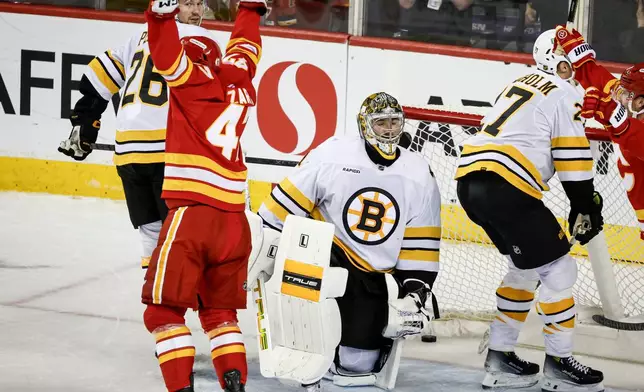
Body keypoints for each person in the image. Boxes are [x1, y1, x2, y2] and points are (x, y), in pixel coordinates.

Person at [255, 92, 441, 390]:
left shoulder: (418, 173)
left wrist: (416, 290)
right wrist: (262, 253)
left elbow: (420, 240)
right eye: (381, 123)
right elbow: (278, 211)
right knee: (308, 343)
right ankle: (313, 362)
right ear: (365, 125)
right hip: (322, 255)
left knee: (358, 367)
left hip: (370, 275)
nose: (390, 129)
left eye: (395, 121)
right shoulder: (333, 154)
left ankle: (332, 366)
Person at [454, 29, 604, 391]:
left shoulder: (519, 81)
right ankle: (558, 365)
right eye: (572, 60)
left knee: (523, 270)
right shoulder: (564, 93)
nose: (578, 69)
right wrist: (584, 205)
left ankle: (500, 357)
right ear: (554, 59)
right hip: (507, 189)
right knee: (558, 269)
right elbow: (571, 155)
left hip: (469, 183)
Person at [140, 0, 265, 391]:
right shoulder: (240, 78)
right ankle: (235, 384)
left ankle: (181, 388)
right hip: (234, 220)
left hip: (194, 214)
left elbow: (164, 52)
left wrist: (159, 16)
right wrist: (250, 8)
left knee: (162, 311)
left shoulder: (191, 81)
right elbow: (246, 46)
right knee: (220, 312)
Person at [58, 0, 210, 270]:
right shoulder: (199, 39)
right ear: (173, 6)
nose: (197, 12)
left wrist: (85, 120)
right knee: (179, 236)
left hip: (128, 151)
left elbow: (97, 76)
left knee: (151, 233)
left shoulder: (139, 34)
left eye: (200, 4)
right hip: (168, 150)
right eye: (188, 4)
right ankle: (175, 301)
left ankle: (154, 299)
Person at [554, 26, 644, 239]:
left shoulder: (629, 119)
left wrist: (611, 113)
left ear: (640, 101)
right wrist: (576, 52)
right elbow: (599, 79)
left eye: (626, 94)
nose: (619, 95)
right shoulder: (632, 109)